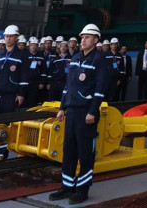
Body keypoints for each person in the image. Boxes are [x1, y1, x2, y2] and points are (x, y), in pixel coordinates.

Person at [48, 24, 110, 204]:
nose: (83, 39)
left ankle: (82, 190)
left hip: (86, 113)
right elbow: (68, 87)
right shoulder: (75, 58)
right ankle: (67, 187)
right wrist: (62, 107)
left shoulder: (99, 60)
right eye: (82, 36)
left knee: (85, 152)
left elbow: (100, 90)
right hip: (72, 111)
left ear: (96, 40)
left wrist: (92, 111)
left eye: (88, 37)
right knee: (69, 150)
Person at [0, 25, 30, 161]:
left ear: (16, 38)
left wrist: (21, 94)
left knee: (5, 124)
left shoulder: (22, 56)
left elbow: (24, 78)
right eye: (7, 36)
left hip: (9, 96)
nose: (8, 38)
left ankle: (3, 153)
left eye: (11, 36)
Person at [49, 36, 70, 101]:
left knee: (63, 99)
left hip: (65, 82)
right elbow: (50, 70)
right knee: (52, 99)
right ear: (59, 48)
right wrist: (49, 82)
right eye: (62, 46)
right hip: (55, 82)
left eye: (65, 46)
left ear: (67, 48)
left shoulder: (71, 58)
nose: (63, 48)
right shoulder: (55, 58)